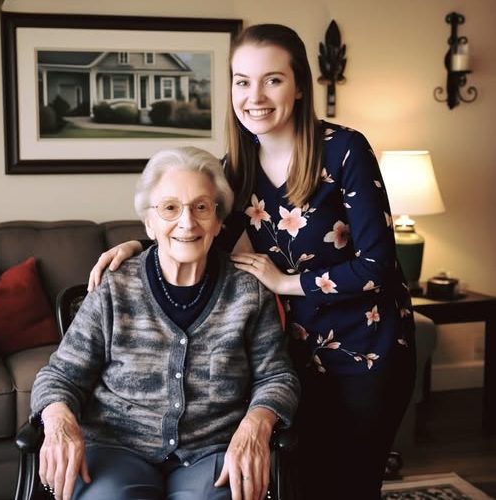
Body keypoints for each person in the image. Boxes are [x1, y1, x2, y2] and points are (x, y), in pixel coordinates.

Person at [88, 24, 416, 499]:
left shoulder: (344, 150)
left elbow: (376, 266)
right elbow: (204, 236)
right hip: (296, 358)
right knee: (301, 487)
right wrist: (139, 246)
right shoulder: (238, 167)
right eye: (242, 81)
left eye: (272, 80)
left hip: (366, 353)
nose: (254, 96)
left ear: (298, 86)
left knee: (350, 486)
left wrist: (284, 283)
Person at [31, 146, 299, 500]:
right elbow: (60, 375)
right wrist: (58, 421)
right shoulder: (115, 287)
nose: (187, 222)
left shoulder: (248, 291)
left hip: (211, 452)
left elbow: (277, 377)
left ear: (219, 221)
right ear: (149, 222)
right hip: (116, 449)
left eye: (201, 207)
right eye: (170, 208)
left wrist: (256, 426)